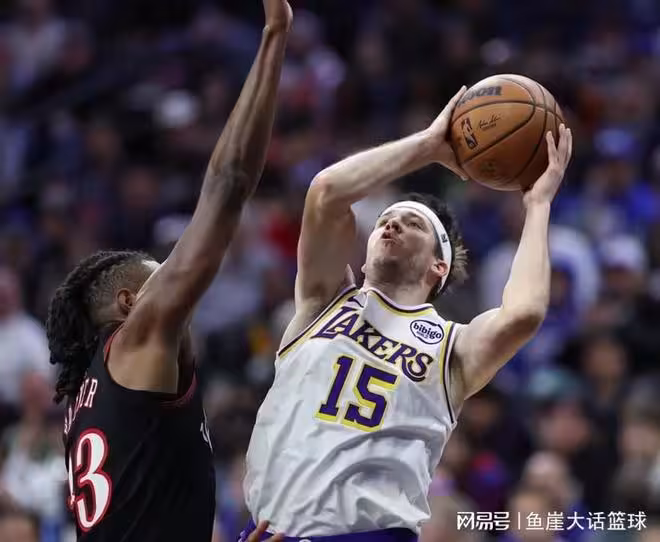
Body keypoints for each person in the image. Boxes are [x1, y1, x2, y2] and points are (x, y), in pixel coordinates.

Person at [243, 86, 573, 541]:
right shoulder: (323, 300)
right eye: (384, 220)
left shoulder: (452, 347)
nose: (391, 223)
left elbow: (524, 312)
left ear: (439, 267)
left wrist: (537, 205)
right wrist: (427, 146)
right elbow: (327, 192)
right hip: (267, 530)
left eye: (412, 223)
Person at [45, 1, 292, 541]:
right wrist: (275, 36)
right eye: (159, 276)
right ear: (130, 304)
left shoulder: (89, 399)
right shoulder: (135, 341)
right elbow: (228, 183)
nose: (180, 290)